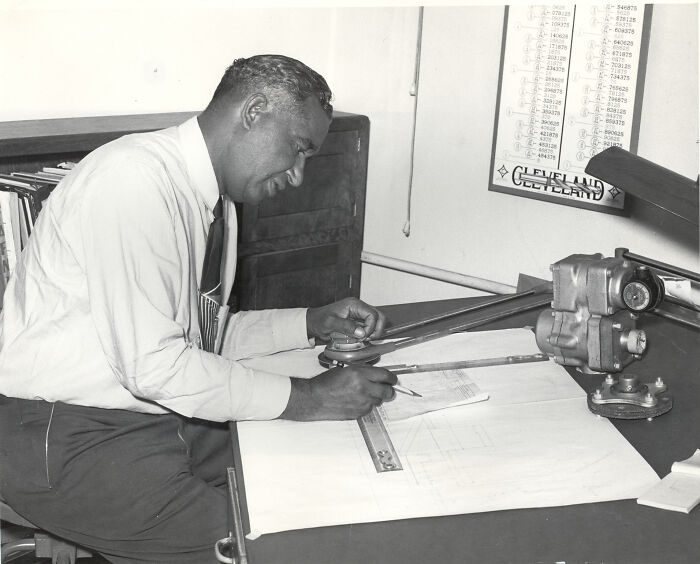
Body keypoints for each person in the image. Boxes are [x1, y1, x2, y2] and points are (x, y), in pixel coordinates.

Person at [0, 54, 397, 563]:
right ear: (254, 112)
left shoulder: (213, 199)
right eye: (297, 150)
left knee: (304, 483)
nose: (298, 176)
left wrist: (309, 322)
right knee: (270, 548)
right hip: (63, 432)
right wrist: (309, 397)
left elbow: (203, 334)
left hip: (147, 416)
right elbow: (157, 366)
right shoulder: (134, 181)